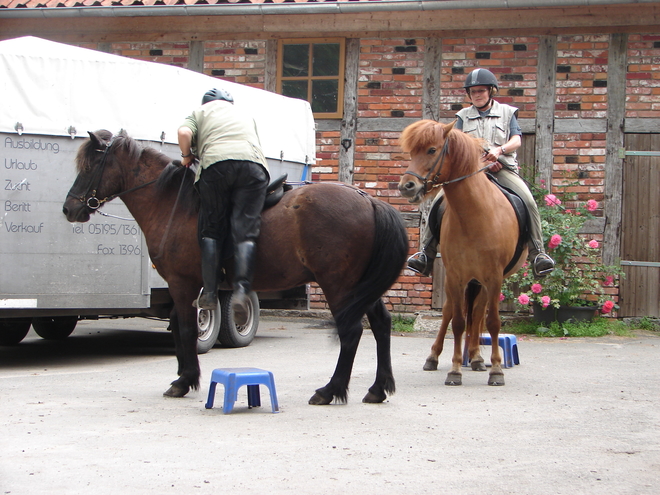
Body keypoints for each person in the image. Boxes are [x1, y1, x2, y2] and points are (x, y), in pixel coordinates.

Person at [407, 68, 555, 278]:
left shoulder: (507, 112)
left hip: (503, 169)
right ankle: (425, 253)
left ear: (491, 91)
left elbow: (516, 140)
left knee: (528, 201)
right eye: (473, 91)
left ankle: (538, 253)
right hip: (471, 173)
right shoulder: (462, 117)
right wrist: (479, 161)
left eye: (481, 91)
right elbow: (454, 147)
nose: (477, 95)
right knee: (438, 203)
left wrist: (499, 151)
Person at [178, 88, 269, 325]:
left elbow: (184, 132)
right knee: (245, 233)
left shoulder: (200, 111)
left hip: (216, 165)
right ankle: (241, 291)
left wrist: (186, 155)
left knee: (211, 232)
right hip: (253, 167)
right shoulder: (244, 114)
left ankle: (209, 294)